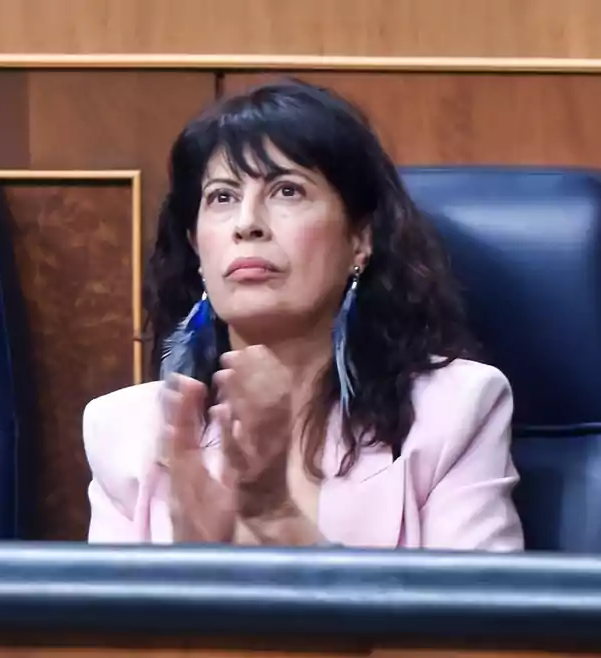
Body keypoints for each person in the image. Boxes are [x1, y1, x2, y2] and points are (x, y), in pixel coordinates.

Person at [83, 78, 524, 550]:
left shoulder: (452, 412)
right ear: (197, 248)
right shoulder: (127, 432)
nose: (247, 223)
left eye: (287, 191)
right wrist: (191, 563)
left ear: (360, 240)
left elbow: (472, 620)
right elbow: (110, 625)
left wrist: (276, 519)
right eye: (222, 197)